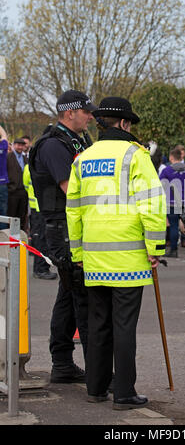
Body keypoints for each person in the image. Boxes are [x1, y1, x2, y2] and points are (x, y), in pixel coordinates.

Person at [66, 96, 166, 409]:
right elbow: (152, 204)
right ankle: (123, 393)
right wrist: (156, 247)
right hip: (129, 258)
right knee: (124, 326)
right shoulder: (136, 155)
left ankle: (96, 388)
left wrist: (78, 252)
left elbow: (74, 210)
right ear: (124, 123)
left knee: (97, 325)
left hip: (94, 258)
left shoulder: (84, 158)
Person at [29, 89, 97, 383]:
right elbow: (72, 189)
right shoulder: (53, 145)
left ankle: (62, 363)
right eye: (86, 112)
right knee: (80, 295)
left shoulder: (78, 140)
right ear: (70, 113)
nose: (91, 117)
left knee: (69, 294)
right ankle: (94, 371)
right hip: (61, 228)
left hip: (73, 226)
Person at [23, 163, 57, 280]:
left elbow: (26, 186)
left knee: (39, 238)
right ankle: (41, 269)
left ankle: (41, 268)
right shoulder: (46, 167)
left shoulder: (29, 167)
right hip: (42, 207)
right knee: (42, 240)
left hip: (37, 207)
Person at [160, 148, 185, 257]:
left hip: (171, 202)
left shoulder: (166, 170)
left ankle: (173, 250)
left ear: (171, 157)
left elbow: (161, 184)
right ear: (181, 157)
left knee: (174, 226)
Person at [7, 138, 28, 232]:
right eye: (18, 145)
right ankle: (10, 235)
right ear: (14, 145)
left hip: (23, 191)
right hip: (12, 191)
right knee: (12, 215)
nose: (20, 147)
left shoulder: (25, 159)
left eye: (22, 145)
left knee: (22, 215)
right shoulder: (8, 157)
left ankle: (21, 235)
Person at [0, 125, 9, 229]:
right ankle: (2, 237)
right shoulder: (2, 146)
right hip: (2, 184)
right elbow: (4, 136)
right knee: (2, 212)